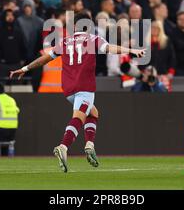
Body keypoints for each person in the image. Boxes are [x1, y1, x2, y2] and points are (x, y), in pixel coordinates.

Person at [9, 11, 145, 172]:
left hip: (67, 89)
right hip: (84, 86)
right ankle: (63, 147)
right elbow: (109, 48)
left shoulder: (65, 42)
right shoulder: (93, 39)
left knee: (93, 113)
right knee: (78, 117)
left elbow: (45, 57)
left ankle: (89, 145)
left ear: (75, 26)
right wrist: (131, 50)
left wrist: (25, 68)